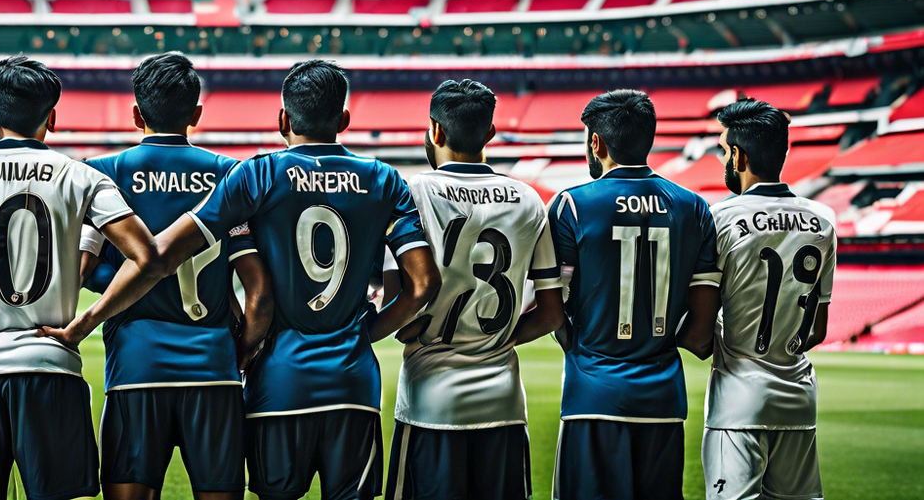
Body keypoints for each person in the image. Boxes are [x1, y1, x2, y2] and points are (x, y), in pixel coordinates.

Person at [43, 59, 442, 500]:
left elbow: (143, 261)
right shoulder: (382, 180)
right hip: (319, 377)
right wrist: (363, 331)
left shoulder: (251, 175)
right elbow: (420, 286)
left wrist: (92, 315)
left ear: (283, 120)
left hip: (235, 376)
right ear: (344, 119)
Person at [0, 55, 168, 500]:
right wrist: (84, 324)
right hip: (51, 368)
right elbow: (149, 257)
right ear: (52, 117)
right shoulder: (84, 177)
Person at [77, 52, 273, 500]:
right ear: (196, 114)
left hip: (135, 365)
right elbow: (257, 284)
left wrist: (106, 277)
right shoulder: (231, 174)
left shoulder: (102, 172)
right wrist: (241, 349)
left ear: (135, 113)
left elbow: (84, 270)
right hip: (213, 368)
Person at [379, 79, 563, 500]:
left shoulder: (413, 192)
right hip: (503, 403)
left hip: (430, 401)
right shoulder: (528, 198)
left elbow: (398, 303)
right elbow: (552, 313)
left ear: (435, 131)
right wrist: (497, 340)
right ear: (490, 134)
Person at [545, 89, 722, 500]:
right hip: (663, 400)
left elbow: (555, 311)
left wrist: (580, 346)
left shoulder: (572, 205)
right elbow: (699, 335)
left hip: (592, 396)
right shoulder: (694, 208)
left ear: (596, 142)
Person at [697, 99, 834, 500]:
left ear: (737, 155)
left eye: (724, 150)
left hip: (738, 405)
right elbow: (818, 329)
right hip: (799, 401)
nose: (725, 158)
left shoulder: (720, 218)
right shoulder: (823, 220)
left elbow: (699, 334)